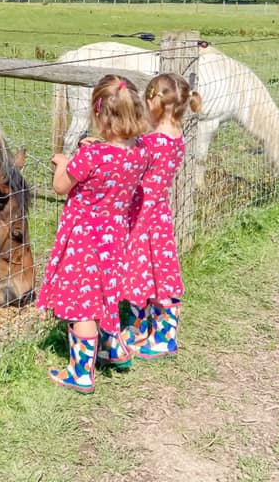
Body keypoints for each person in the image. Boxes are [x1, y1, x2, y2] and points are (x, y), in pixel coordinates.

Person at [37, 74, 151, 392]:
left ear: (100, 116)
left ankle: (80, 373)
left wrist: (64, 162)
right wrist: (93, 149)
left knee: (82, 305)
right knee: (103, 296)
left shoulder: (91, 157)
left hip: (84, 242)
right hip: (115, 239)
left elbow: (61, 187)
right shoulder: (140, 153)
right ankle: (111, 349)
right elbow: (113, 160)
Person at [120, 72, 202, 359]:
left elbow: (131, 163)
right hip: (158, 215)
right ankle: (142, 328)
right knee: (155, 271)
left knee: (145, 271)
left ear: (156, 105)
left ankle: (163, 337)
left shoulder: (151, 144)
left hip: (144, 215)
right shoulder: (176, 137)